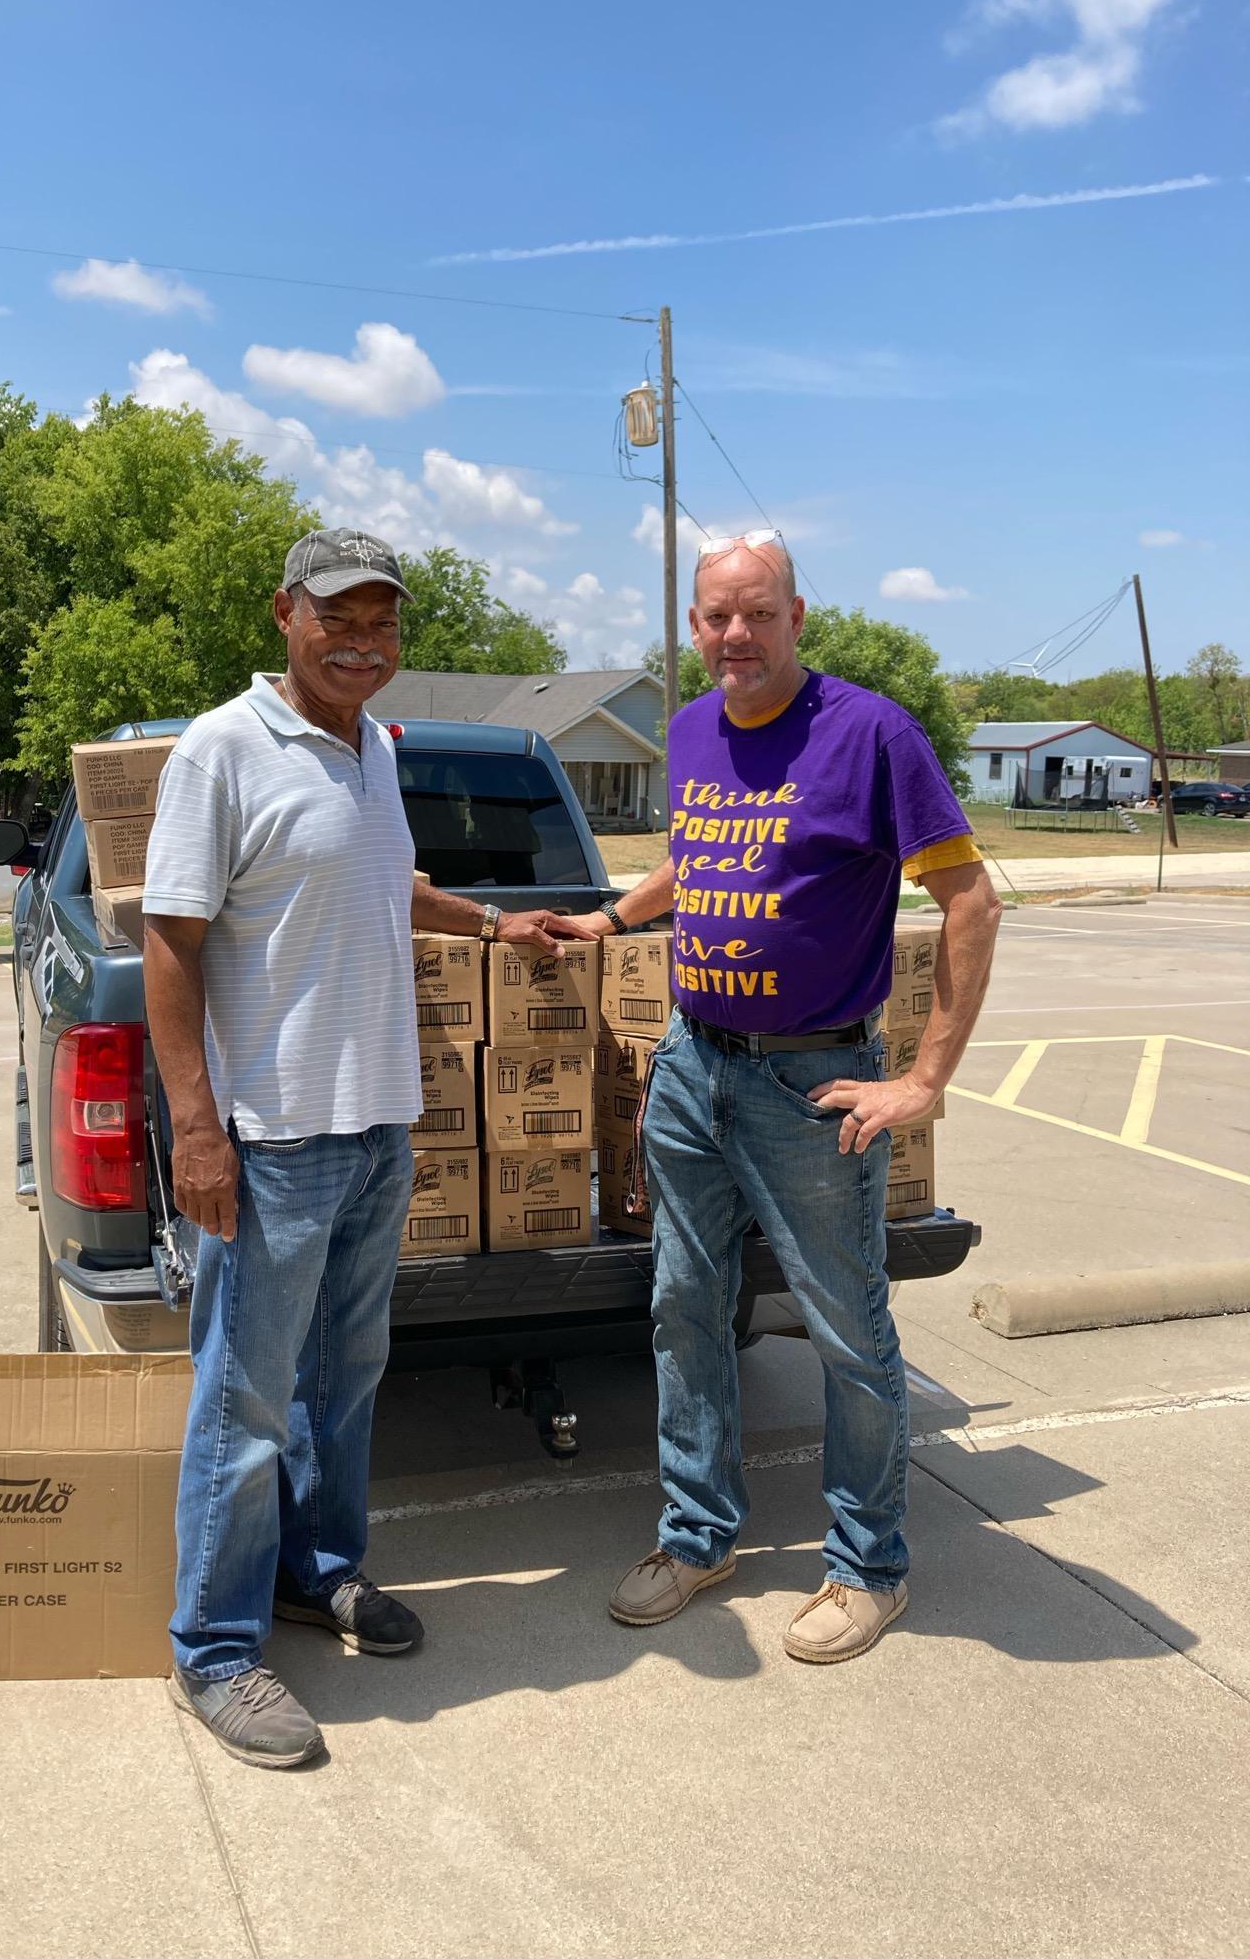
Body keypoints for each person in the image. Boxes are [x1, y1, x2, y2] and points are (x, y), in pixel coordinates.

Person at [142, 526, 578, 1768]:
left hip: (380, 1119)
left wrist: (497, 922)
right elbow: (170, 941)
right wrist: (198, 1130)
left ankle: (318, 1572)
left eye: (382, 620)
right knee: (246, 1397)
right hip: (274, 1140)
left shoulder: (373, 753)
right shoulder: (223, 748)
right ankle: (214, 1649)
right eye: (338, 615)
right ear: (285, 612)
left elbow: (387, 887)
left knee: (346, 1379)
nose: (362, 638)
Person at [560, 530, 1001, 1664]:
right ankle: (697, 1533)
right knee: (684, 1307)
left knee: (847, 1326)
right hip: (694, 1063)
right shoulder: (693, 727)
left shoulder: (871, 733)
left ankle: (869, 1564)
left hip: (812, 1081)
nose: (734, 636)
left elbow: (970, 900)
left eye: (756, 613)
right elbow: (701, 856)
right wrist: (612, 916)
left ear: (798, 614)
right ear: (694, 625)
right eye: (715, 616)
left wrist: (924, 1079)